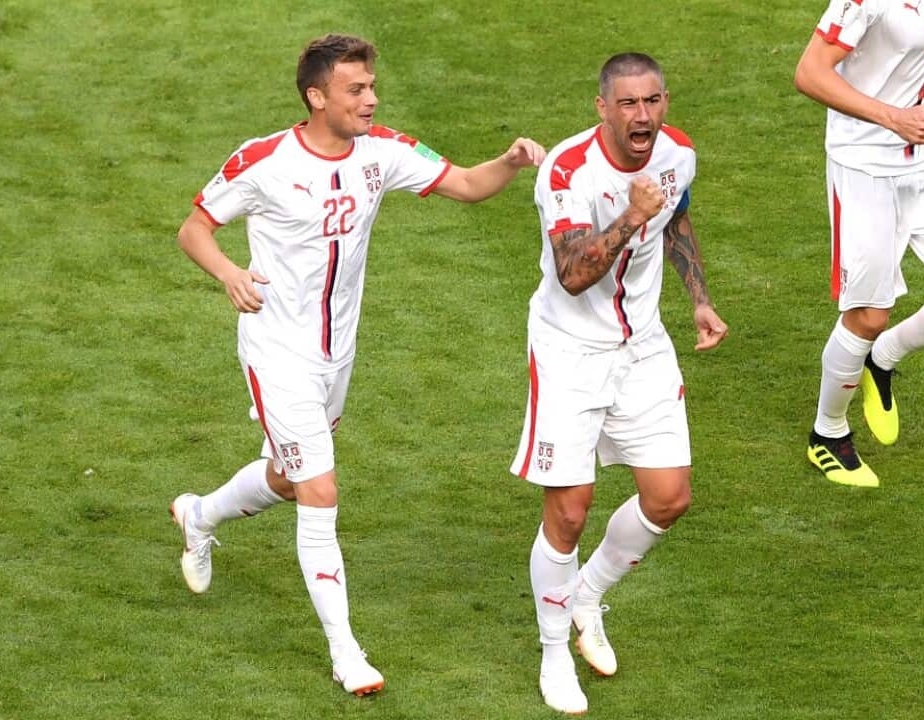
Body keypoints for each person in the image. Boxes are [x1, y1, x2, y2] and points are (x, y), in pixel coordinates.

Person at [171, 33, 544, 696]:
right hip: (276, 351)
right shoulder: (263, 161)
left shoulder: (383, 153)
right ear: (317, 97)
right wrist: (229, 272)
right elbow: (194, 228)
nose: (371, 99)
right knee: (320, 492)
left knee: (289, 480)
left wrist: (510, 162)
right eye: (356, 89)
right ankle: (347, 654)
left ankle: (199, 515)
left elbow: (463, 184)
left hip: (337, 355)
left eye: (371, 86)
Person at [510, 52, 728, 714]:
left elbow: (676, 215)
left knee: (669, 498)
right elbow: (575, 272)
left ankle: (587, 594)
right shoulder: (567, 172)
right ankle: (553, 654)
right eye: (629, 104)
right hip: (570, 350)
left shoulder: (678, 153)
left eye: (654, 101)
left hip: (643, 348)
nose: (644, 116)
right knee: (570, 509)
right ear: (602, 107)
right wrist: (631, 216)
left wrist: (698, 296)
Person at [793, 0, 924, 487]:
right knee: (868, 315)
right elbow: (809, 72)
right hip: (866, 164)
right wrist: (892, 117)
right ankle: (827, 434)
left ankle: (882, 356)